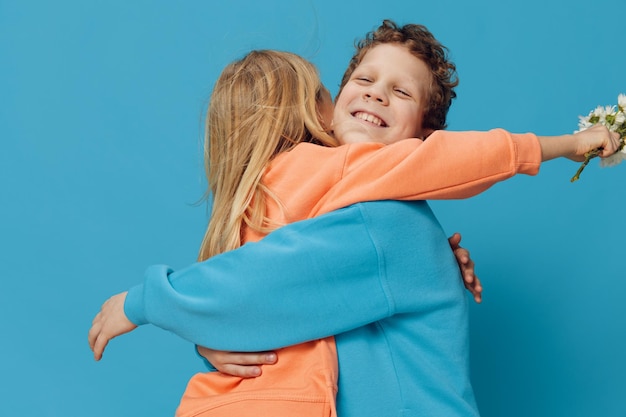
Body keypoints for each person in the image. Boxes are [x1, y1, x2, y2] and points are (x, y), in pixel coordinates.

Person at [88, 20, 621, 417]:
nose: (376, 93)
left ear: (420, 141)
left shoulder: (384, 220)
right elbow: (266, 286)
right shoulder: (309, 197)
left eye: (403, 91)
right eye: (362, 79)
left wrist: (152, 302)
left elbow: (265, 282)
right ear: (328, 107)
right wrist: (215, 328)